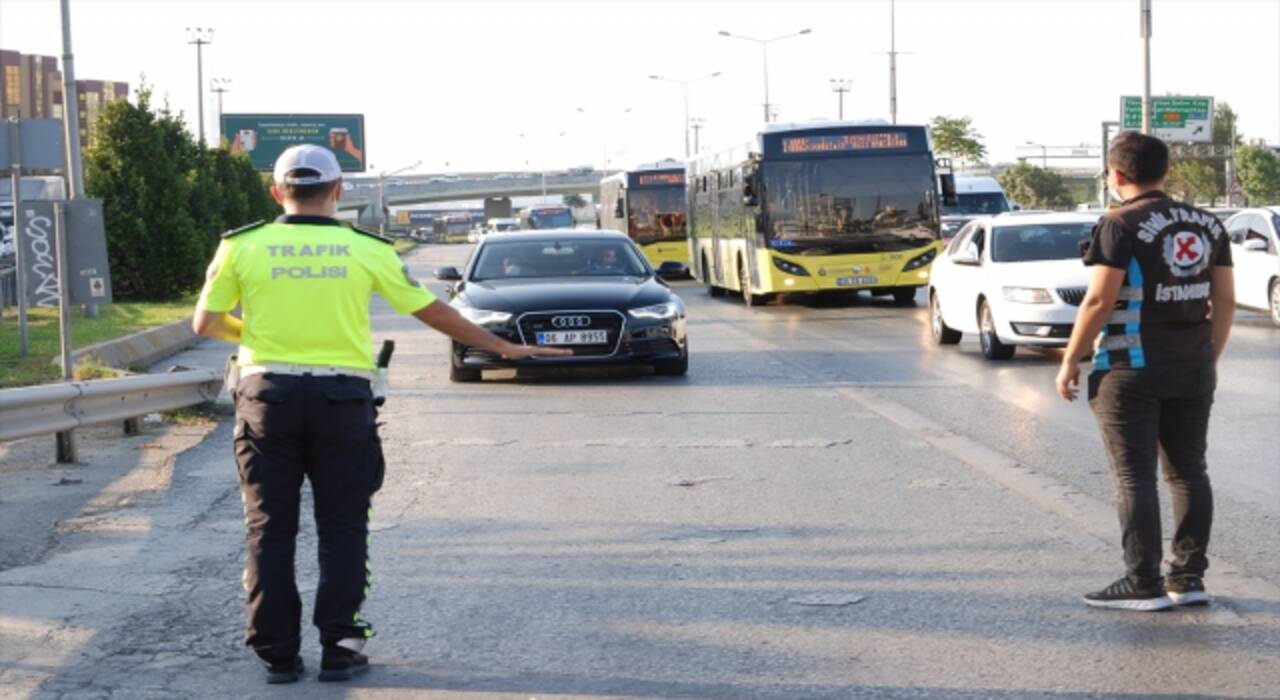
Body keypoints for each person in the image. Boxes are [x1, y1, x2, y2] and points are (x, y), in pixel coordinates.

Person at [193, 145, 569, 684]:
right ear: (339, 191)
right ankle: (341, 645)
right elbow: (433, 311)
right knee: (343, 525)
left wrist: (254, 336)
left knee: (268, 527)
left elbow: (205, 323)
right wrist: (503, 348)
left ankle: (276, 652)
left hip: (266, 398)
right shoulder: (365, 249)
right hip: (342, 402)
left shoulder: (242, 246)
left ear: (277, 192)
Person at [1056, 131, 1234, 612]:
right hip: (1193, 367)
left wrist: (1071, 358)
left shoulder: (1118, 222)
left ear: (1116, 175)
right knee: (1188, 472)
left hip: (1130, 369)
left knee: (1135, 478)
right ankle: (1189, 577)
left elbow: (1098, 298)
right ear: (1167, 170)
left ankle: (1142, 582)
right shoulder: (1207, 224)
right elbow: (1226, 299)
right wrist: (1207, 357)